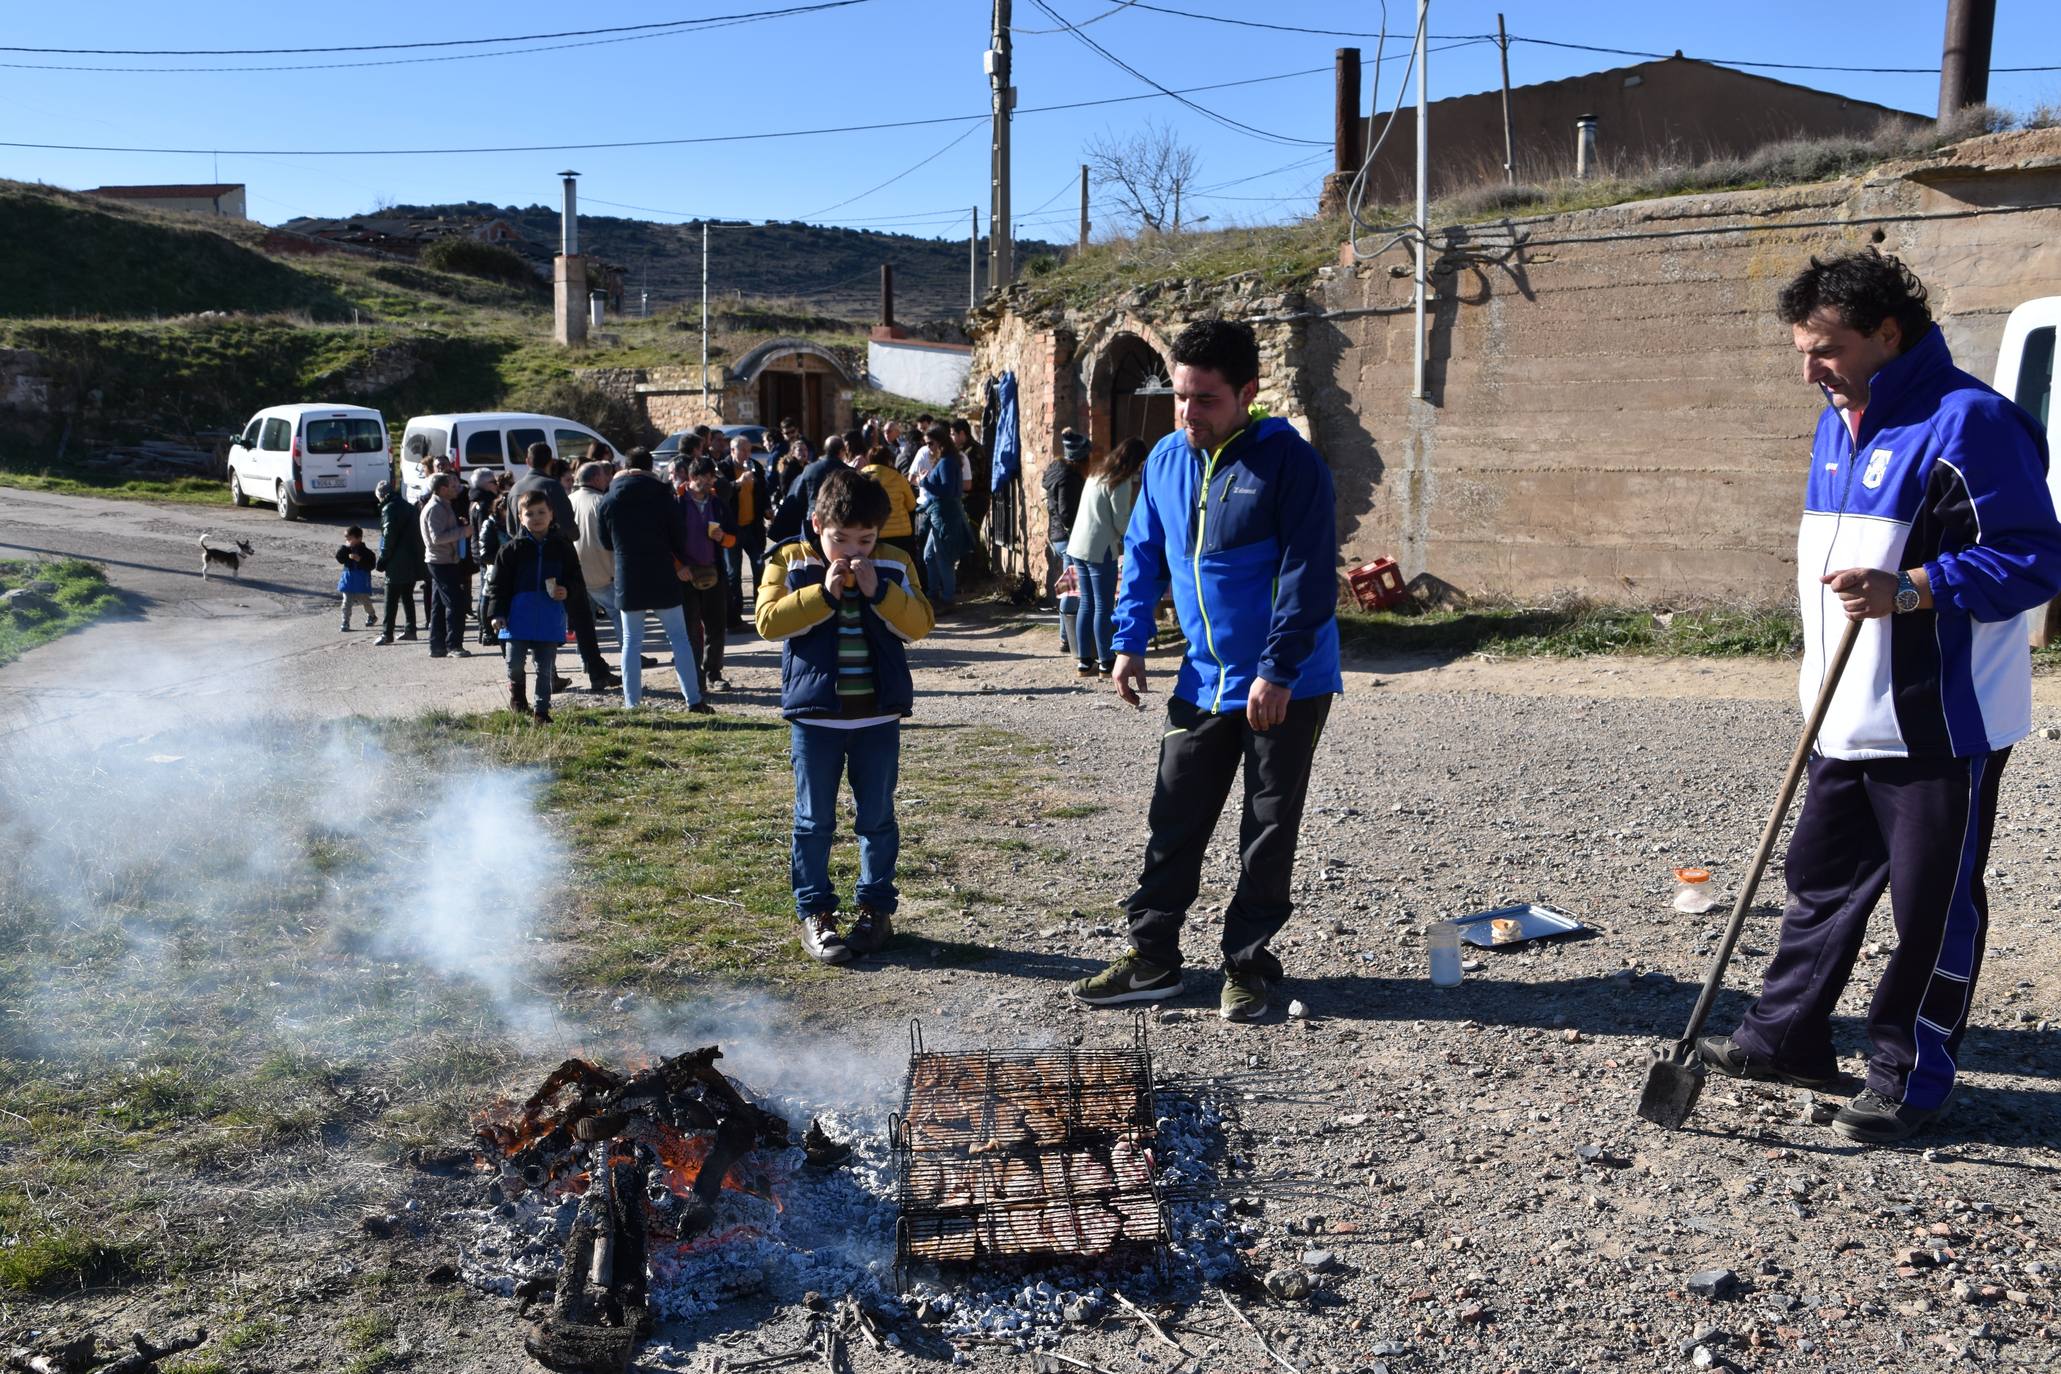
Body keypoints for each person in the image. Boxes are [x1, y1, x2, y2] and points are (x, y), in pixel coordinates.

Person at [1696, 251, 2061, 1143]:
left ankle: (1908, 1077)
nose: (1808, 368)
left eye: (1825, 348)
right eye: (1802, 349)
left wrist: (1915, 587)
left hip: (1941, 722)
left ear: (1886, 335)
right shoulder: (1838, 420)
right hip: (1842, 714)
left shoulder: (1971, 421)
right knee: (1818, 886)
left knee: (1929, 906)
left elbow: (2034, 558)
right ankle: (1784, 1038)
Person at [1070, 320, 1341, 1023]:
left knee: (1266, 825)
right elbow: (1142, 553)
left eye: (1205, 400)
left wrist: (1277, 670)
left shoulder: (1289, 464)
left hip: (1286, 683)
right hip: (1201, 680)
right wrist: (1127, 642)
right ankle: (1152, 958)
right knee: (1174, 818)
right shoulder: (1163, 458)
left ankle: (1247, 965)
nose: (1188, 414)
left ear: (1247, 393)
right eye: (1180, 398)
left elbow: (1307, 576)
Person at [756, 466, 934, 966]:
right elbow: (768, 622)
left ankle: (875, 910)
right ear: (816, 523)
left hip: (877, 718)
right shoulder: (789, 560)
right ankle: (815, 914)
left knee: (876, 819)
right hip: (816, 722)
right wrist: (824, 594)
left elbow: (920, 624)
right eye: (841, 539)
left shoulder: (895, 564)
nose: (854, 550)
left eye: (866, 538)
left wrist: (880, 592)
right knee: (813, 822)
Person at [598, 447, 713, 714]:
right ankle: (693, 699)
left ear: (626, 466)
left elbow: (605, 541)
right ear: (650, 467)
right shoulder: (663, 494)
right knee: (679, 638)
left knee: (631, 641)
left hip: (629, 575)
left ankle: (632, 703)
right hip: (662, 573)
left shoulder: (610, 497)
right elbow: (679, 536)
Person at [512, 441, 619, 693]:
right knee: (581, 615)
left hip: (526, 559)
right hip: (557, 557)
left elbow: (509, 529)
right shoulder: (551, 487)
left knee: (542, 617)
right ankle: (596, 671)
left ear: (527, 462)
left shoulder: (516, 488)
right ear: (550, 462)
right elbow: (570, 528)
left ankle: (550, 674)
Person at [489, 490, 584, 724]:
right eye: (529, 513)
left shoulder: (563, 546)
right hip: (517, 617)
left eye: (542, 512)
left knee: (545, 668)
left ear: (551, 514)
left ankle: (541, 711)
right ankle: (518, 696)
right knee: (513, 664)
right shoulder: (511, 549)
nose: (536, 517)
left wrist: (567, 590)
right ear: (520, 518)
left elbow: (576, 578)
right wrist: (496, 613)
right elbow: (497, 585)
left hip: (550, 617)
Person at [1065, 437, 1145, 676]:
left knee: (1086, 603)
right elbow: (1121, 522)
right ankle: (1105, 660)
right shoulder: (1119, 482)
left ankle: (1084, 660)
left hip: (1078, 546)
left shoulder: (1097, 473)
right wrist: (1140, 536)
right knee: (1103, 605)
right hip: (1099, 550)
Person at [679, 454, 738, 693]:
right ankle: (695, 678)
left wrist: (722, 538)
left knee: (716, 626)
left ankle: (714, 672)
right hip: (685, 575)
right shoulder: (677, 502)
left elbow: (734, 539)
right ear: (693, 477)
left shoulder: (718, 504)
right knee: (691, 629)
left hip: (713, 573)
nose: (710, 481)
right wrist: (677, 567)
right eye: (706, 476)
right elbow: (666, 540)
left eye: (712, 476)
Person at [916, 424, 971, 607]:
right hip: (939, 514)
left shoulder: (947, 462)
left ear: (940, 442)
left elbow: (947, 491)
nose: (928, 447)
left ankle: (947, 598)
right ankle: (934, 594)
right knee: (929, 556)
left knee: (943, 557)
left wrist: (924, 482)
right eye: (926, 444)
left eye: (930, 443)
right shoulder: (946, 461)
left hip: (944, 516)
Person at [419, 472, 472, 658]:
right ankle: (453, 645)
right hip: (441, 562)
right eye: (452, 485)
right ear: (442, 489)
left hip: (444, 560)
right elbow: (437, 537)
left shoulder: (443, 505)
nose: (456, 487)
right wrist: (463, 532)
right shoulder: (436, 508)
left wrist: (459, 525)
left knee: (439, 605)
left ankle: (437, 646)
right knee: (455, 603)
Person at [725, 433, 770, 629]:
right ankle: (735, 619)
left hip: (753, 528)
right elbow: (719, 492)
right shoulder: (723, 468)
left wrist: (767, 508)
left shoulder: (755, 467)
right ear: (732, 450)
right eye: (743, 450)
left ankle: (761, 614)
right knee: (733, 574)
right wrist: (737, 483)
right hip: (732, 529)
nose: (747, 454)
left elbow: (764, 492)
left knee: (759, 569)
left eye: (749, 450)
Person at [373, 480, 424, 644]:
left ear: (382, 495)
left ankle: (386, 633)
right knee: (407, 596)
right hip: (412, 558)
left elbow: (389, 538)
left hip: (396, 561)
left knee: (391, 599)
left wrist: (382, 559)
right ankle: (411, 630)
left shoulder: (389, 509)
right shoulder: (409, 507)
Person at [858, 441, 920, 559]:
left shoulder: (860, 478)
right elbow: (911, 505)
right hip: (900, 535)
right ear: (888, 460)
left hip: (871, 532)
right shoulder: (898, 477)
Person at [335, 526, 378, 632]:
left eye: (350, 539)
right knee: (346, 602)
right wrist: (345, 547)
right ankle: (345, 622)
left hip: (361, 581)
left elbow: (371, 566)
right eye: (347, 539)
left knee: (365, 601)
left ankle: (371, 615)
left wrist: (360, 560)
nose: (348, 541)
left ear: (359, 538)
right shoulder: (346, 549)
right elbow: (339, 558)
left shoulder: (368, 553)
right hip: (348, 580)